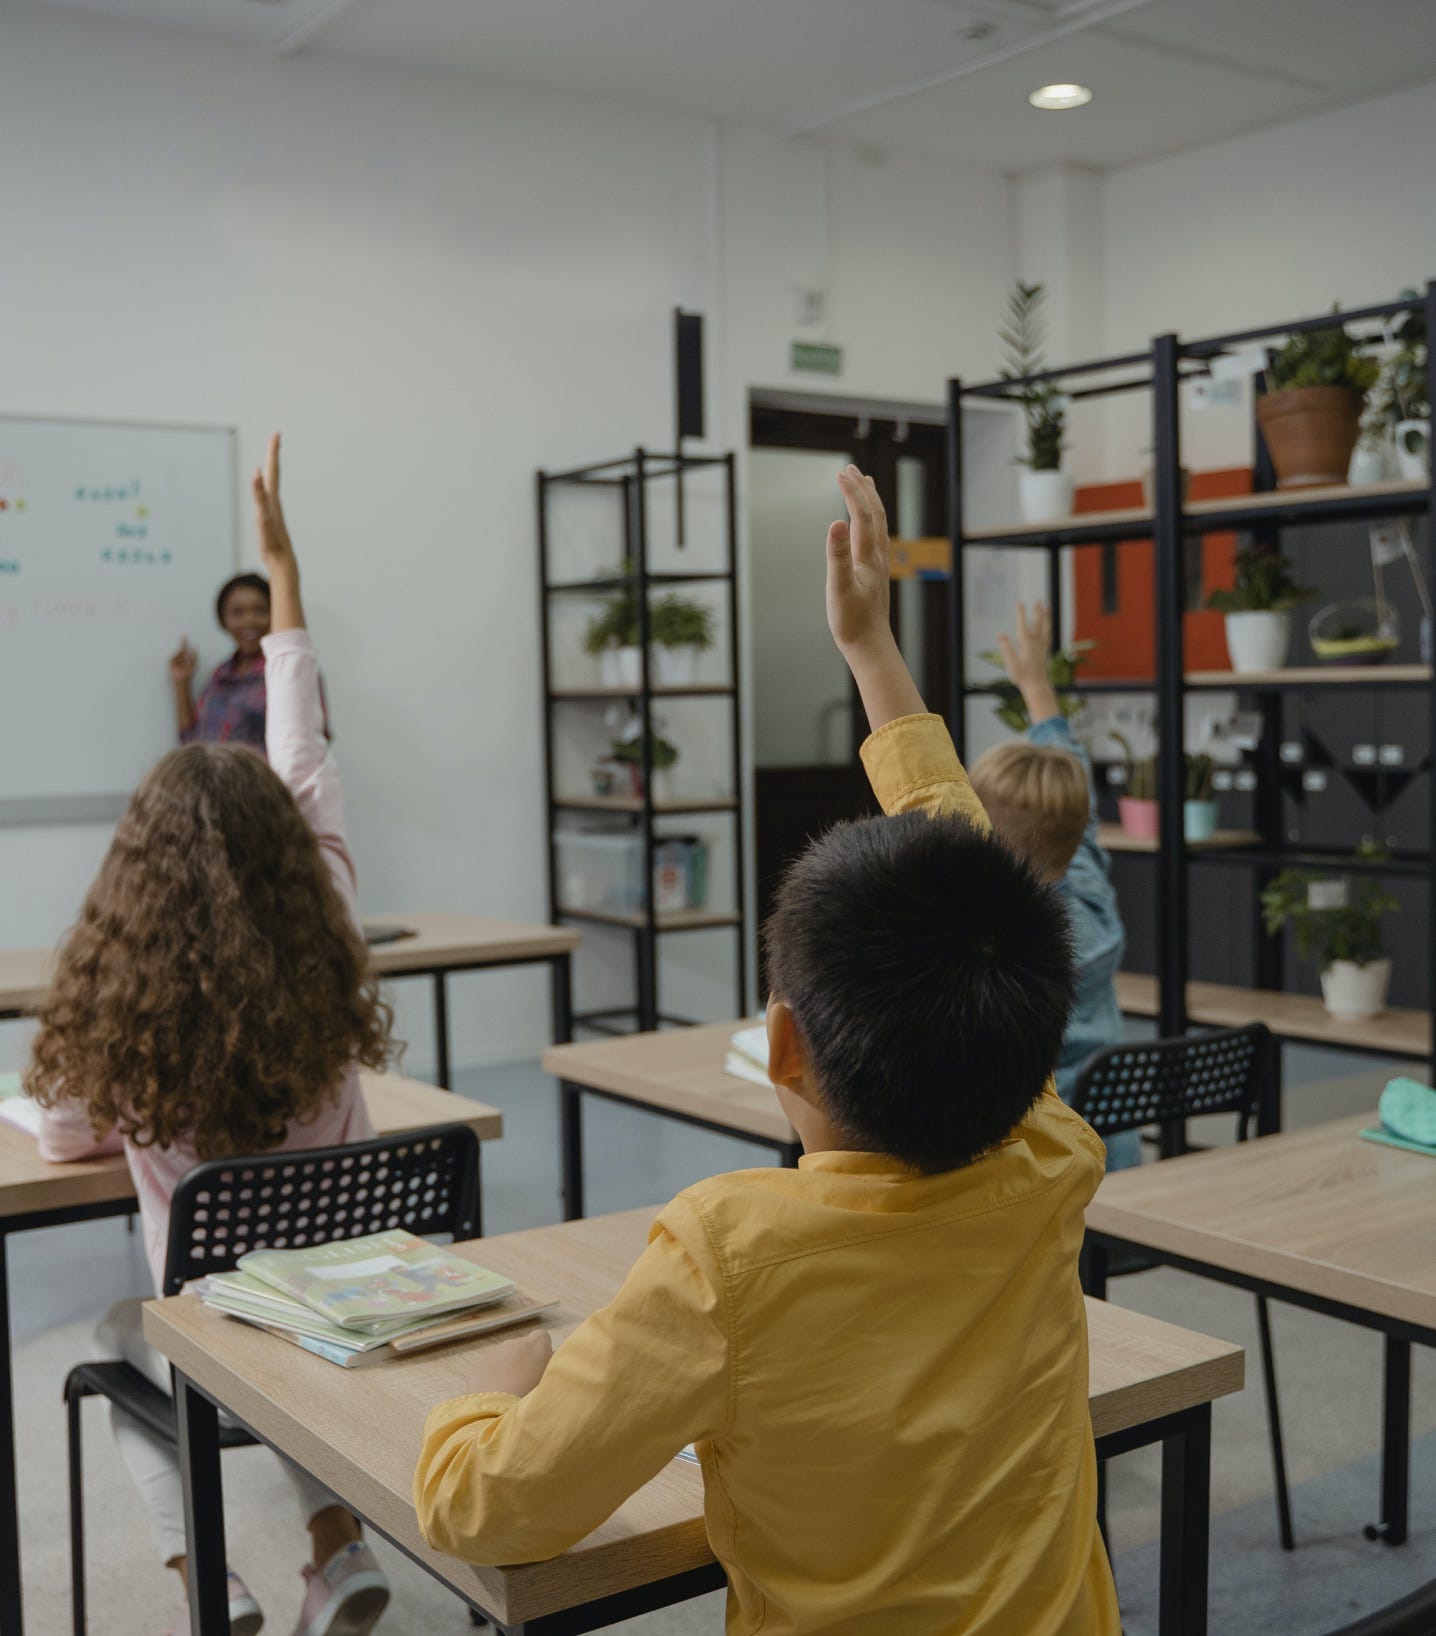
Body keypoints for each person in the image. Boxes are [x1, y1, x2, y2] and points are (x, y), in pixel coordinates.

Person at [412, 467, 1120, 1635]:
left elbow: (486, 1508)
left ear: (780, 1043)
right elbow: (960, 852)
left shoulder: (724, 1255)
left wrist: (482, 1401)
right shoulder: (1045, 1151)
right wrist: (870, 651)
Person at [30, 436, 394, 1636]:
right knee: (281, 1326)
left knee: (126, 1330)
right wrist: (285, 563)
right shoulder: (329, 913)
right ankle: (337, 1548)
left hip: (222, 1321)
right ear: (295, 852)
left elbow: (73, 1136)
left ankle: (208, 1584)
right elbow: (300, 745)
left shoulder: (123, 1010)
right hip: (345, 1298)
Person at [973, 601, 1140, 1170]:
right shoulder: (1086, 882)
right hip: (1113, 1158)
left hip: (1039, 1179)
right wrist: (1036, 684)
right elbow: (1077, 798)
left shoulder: (1003, 949)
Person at [170, 573, 272, 752]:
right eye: (237, 612)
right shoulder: (221, 675)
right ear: (223, 620)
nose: (249, 620)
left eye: (260, 610)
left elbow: (308, 746)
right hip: (212, 780)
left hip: (263, 780)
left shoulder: (288, 672)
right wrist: (181, 683)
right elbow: (192, 740)